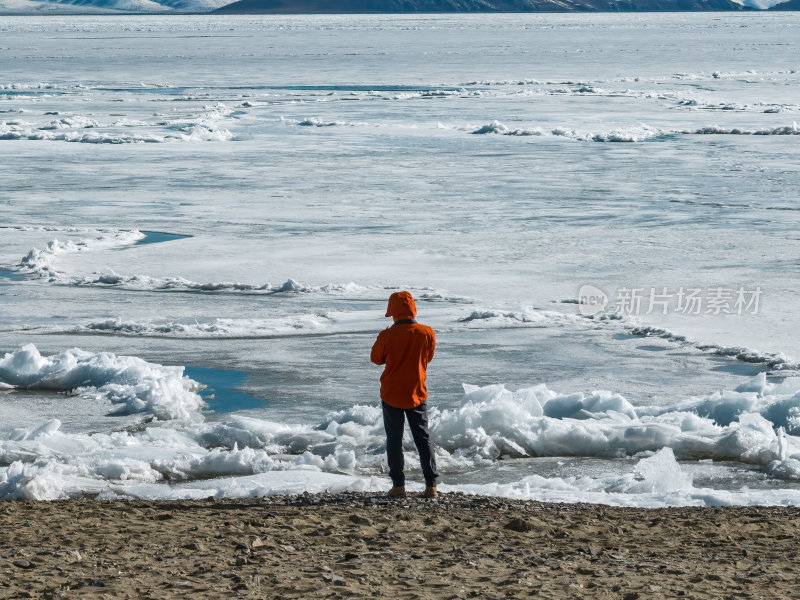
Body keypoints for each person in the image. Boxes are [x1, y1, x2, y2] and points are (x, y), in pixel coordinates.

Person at [370, 291, 439, 498]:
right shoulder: (426, 332)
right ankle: (431, 486)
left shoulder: (387, 335)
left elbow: (376, 359)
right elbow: (428, 357)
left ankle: (398, 486)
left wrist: (383, 338)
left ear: (393, 312)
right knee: (423, 439)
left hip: (392, 392)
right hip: (416, 391)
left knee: (394, 439)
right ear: (413, 309)